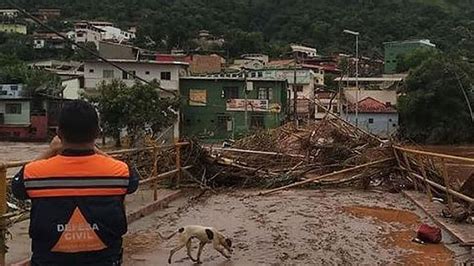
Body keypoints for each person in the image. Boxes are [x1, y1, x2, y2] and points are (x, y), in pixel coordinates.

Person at [12, 100, 139, 266]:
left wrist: (50, 151)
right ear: (97, 132)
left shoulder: (34, 173)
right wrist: (96, 150)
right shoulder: (120, 172)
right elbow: (133, 183)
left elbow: (17, 188)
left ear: (58, 132)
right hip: (105, 260)